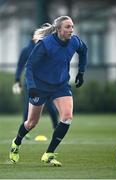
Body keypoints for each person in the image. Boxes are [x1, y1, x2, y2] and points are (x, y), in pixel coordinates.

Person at [9, 16, 87, 167]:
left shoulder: (75, 41)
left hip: (60, 85)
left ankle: (49, 153)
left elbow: (84, 51)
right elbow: (29, 66)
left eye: (72, 26)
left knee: (67, 117)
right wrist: (31, 87)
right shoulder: (45, 44)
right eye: (67, 27)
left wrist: (81, 72)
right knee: (31, 123)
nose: (72, 30)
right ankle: (16, 143)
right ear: (58, 30)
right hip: (40, 86)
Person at [12, 24, 59, 135]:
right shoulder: (27, 50)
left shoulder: (46, 48)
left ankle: (56, 128)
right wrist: (17, 80)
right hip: (31, 82)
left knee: (50, 105)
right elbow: (20, 66)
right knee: (29, 106)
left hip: (45, 82)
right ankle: (24, 131)